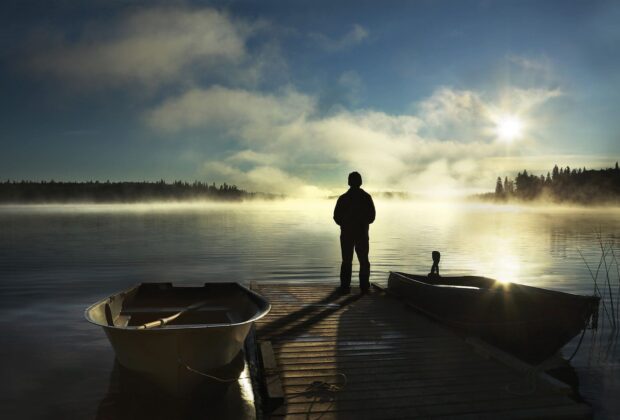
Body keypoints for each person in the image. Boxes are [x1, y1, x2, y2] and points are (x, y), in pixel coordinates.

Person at [333, 171, 376, 293]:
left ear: (349, 182)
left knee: (346, 261)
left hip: (346, 234)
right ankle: (364, 286)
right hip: (362, 234)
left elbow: (336, 217)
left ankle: (345, 287)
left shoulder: (343, 198)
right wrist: (362, 223)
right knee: (364, 260)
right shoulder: (366, 197)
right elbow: (372, 217)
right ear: (360, 182)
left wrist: (345, 224)